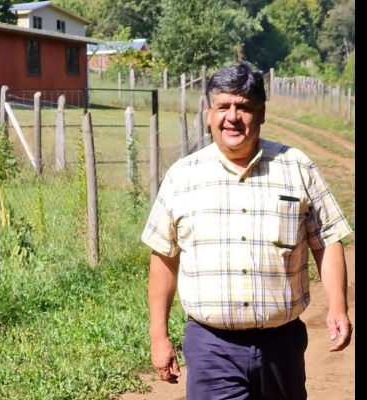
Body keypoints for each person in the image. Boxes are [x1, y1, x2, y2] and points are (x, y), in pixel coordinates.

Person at [140, 61, 353, 400]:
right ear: (210, 113)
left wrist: (338, 307)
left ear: (262, 113)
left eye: (244, 107)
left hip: (281, 346)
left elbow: (327, 240)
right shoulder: (183, 177)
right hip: (212, 347)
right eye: (223, 106)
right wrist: (158, 335)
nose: (233, 117)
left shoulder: (296, 167)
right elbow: (164, 257)